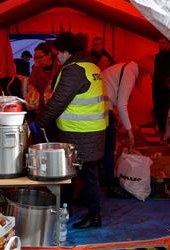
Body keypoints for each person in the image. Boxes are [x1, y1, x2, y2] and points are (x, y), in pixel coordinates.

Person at [29, 32, 107, 229]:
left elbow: (57, 103)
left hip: (79, 132)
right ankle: (77, 210)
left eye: (58, 54)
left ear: (65, 51)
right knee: (86, 173)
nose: (58, 58)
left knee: (77, 174)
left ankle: (89, 215)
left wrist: (39, 123)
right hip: (93, 130)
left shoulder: (73, 70)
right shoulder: (92, 66)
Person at [101, 61, 143, 198]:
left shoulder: (123, 67)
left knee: (102, 149)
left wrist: (120, 122)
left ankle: (105, 180)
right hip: (103, 111)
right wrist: (129, 131)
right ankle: (110, 185)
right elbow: (121, 104)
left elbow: (116, 101)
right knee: (108, 149)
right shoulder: (130, 73)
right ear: (144, 70)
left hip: (100, 108)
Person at [28, 42, 62, 114]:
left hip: (56, 110)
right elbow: (31, 86)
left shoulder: (60, 68)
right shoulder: (35, 70)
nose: (38, 60)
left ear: (49, 55)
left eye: (41, 57)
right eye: (36, 58)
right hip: (40, 110)